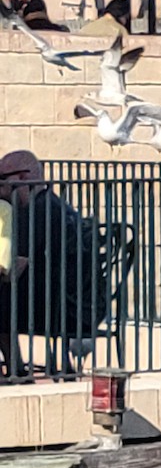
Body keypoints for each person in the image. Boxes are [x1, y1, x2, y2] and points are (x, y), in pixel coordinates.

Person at [0, 151, 99, 376]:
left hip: (57, 306)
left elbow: (18, 265)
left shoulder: (39, 213)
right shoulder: (52, 205)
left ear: (23, 178)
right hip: (74, 302)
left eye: (2, 179)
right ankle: (16, 366)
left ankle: (15, 367)